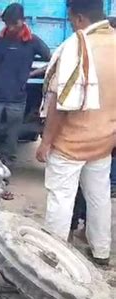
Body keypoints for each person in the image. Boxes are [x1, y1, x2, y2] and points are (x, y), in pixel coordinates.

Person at [37, 0, 116, 266]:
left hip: (70, 143)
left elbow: (61, 102)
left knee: (61, 198)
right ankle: (101, 252)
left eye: (71, 20)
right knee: (99, 197)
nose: (71, 25)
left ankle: (53, 256)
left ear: (79, 17)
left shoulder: (77, 46)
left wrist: (45, 142)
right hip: (104, 142)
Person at [0, 3, 51, 182]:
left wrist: (32, 73)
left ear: (22, 21)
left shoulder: (33, 42)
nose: (10, 28)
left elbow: (53, 61)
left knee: (11, 143)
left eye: (13, 24)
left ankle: (3, 177)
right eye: (7, 24)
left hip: (17, 101)